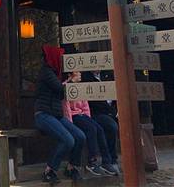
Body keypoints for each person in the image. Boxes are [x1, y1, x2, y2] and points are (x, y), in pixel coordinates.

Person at [34, 45, 86, 183]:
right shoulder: (46, 72)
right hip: (43, 115)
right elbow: (60, 89)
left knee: (80, 136)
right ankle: (49, 170)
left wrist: (70, 80)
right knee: (68, 140)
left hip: (56, 115)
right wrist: (72, 81)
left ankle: (71, 167)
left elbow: (62, 91)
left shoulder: (56, 73)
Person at [63, 72, 119, 176]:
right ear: (70, 75)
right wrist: (70, 122)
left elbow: (85, 105)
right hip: (73, 116)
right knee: (91, 129)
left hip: (83, 114)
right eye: (76, 74)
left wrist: (88, 117)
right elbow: (66, 107)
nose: (79, 75)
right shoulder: (65, 86)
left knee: (99, 129)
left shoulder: (81, 87)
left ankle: (106, 161)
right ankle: (92, 160)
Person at [83, 70, 120, 172]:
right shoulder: (86, 77)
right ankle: (111, 160)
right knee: (111, 126)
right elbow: (92, 101)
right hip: (96, 112)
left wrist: (116, 110)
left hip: (112, 110)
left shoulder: (108, 74)